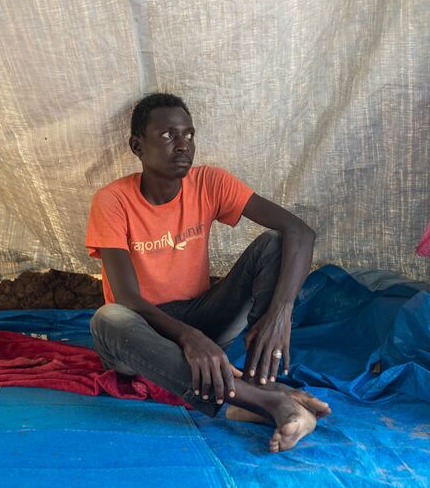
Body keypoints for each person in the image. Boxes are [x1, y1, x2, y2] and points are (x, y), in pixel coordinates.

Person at [86, 93, 330, 452]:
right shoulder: (113, 201)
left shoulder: (209, 183)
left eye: (189, 134)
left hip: (201, 318)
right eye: (168, 135)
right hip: (142, 333)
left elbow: (299, 232)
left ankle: (261, 377)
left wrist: (281, 314)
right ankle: (268, 400)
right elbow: (128, 299)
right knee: (107, 318)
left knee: (274, 245)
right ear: (137, 146)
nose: (183, 145)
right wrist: (190, 338)